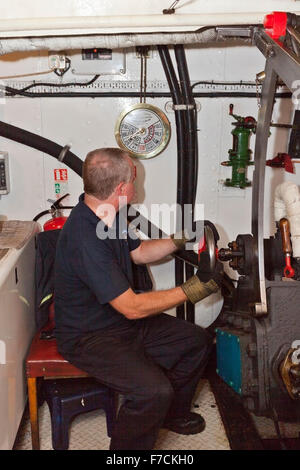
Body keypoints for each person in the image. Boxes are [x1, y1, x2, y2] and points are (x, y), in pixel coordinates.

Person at [54, 147, 223, 450]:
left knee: (196, 342)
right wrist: (193, 290)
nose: (135, 184)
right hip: (89, 336)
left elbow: (140, 252)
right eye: (133, 178)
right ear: (121, 189)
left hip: (117, 320)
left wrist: (183, 236)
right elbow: (132, 307)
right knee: (152, 392)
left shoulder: (106, 213)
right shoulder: (84, 237)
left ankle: (172, 415)